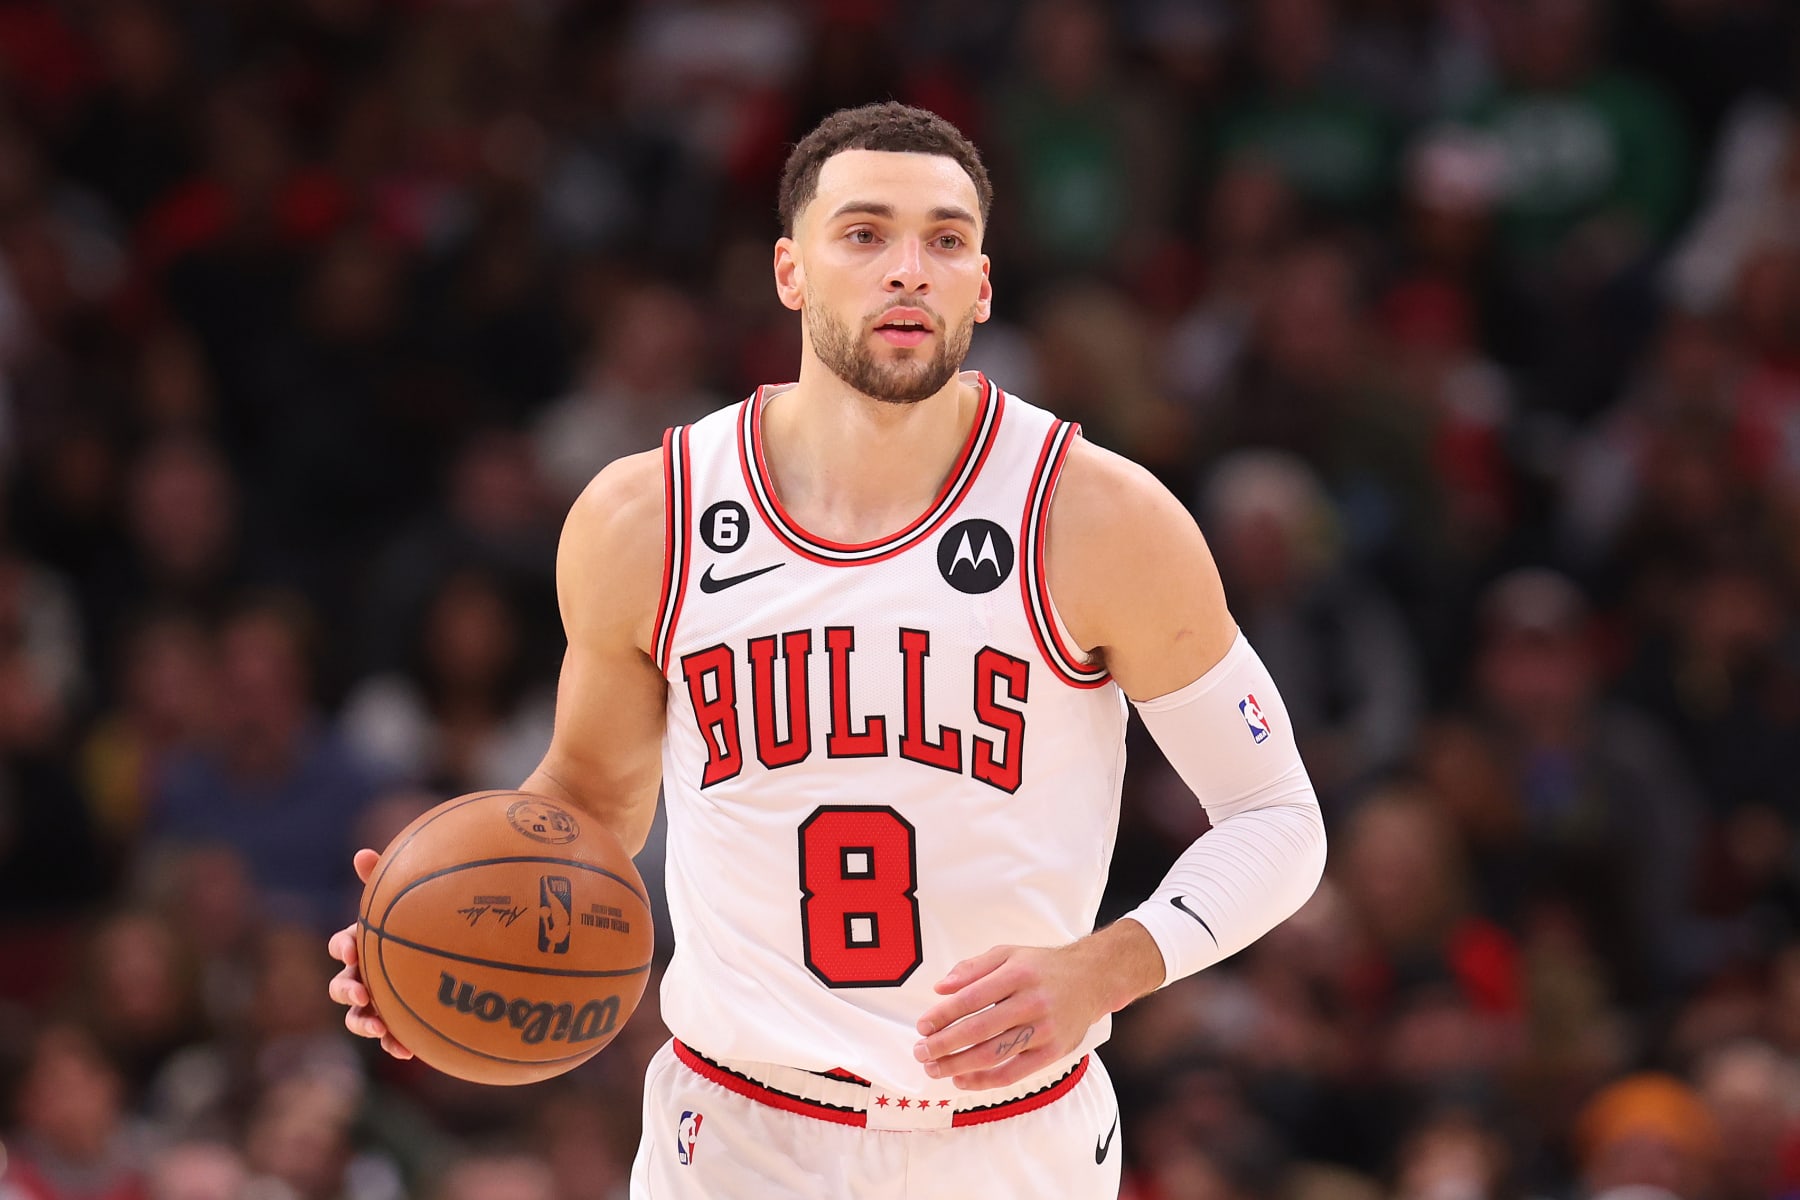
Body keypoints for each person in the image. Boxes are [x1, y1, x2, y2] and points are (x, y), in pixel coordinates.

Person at [326, 102, 1327, 1199]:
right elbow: (592, 803)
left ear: (983, 286)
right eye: (864, 233)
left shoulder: (1098, 517)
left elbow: (1277, 815)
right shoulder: (648, 518)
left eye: (946, 239)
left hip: (1010, 1135)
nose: (909, 268)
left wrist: (1110, 966)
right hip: (738, 1130)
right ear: (789, 271)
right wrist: (439, 934)